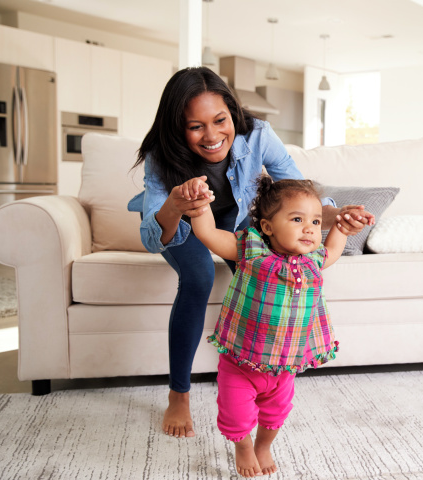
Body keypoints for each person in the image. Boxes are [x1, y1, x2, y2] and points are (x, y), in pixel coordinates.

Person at [127, 66, 374, 438]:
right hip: (184, 218)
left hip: (239, 216)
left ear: (232, 112)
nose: (212, 136)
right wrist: (176, 205)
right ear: (178, 128)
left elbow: (298, 193)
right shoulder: (161, 155)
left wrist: (339, 215)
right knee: (199, 276)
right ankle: (179, 393)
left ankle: (256, 377)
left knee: (272, 269)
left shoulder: (258, 134)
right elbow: (153, 236)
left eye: (219, 120)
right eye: (196, 126)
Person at [191, 175, 347, 477]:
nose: (309, 228)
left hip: (284, 368)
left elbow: (335, 249)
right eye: (298, 219)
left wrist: (341, 226)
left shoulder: (313, 260)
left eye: (315, 222)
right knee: (235, 416)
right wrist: (199, 206)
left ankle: (263, 446)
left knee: (276, 415)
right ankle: (244, 447)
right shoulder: (251, 251)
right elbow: (209, 234)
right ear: (267, 226)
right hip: (240, 363)